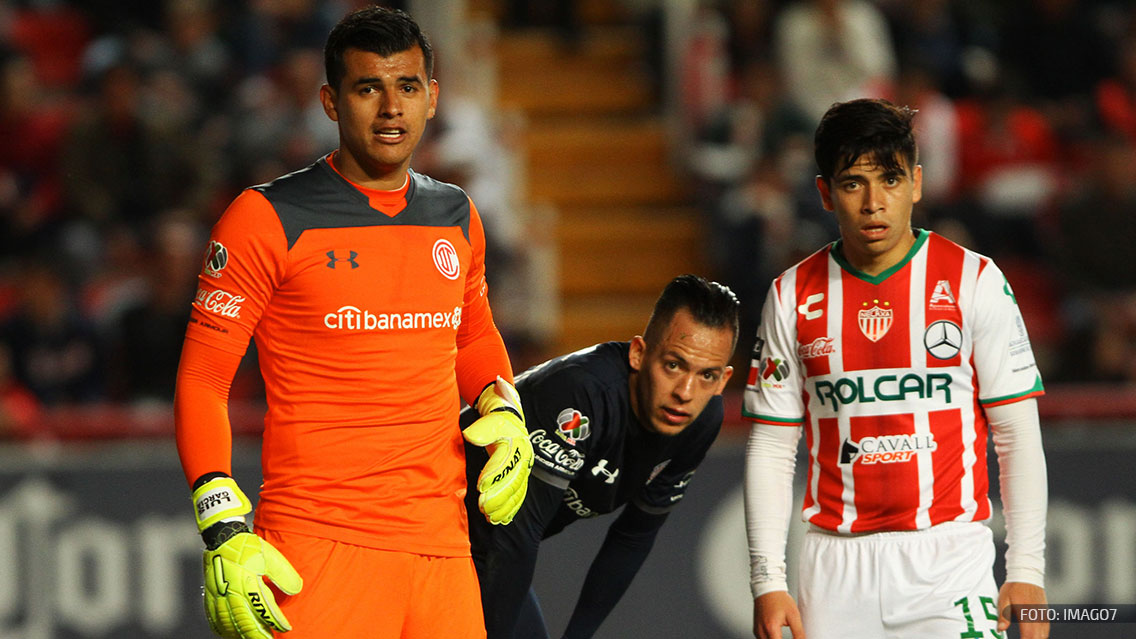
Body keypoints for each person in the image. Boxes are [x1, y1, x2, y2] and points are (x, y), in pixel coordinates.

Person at [173, 7, 533, 639]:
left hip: (442, 554)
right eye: (368, 88)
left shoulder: (456, 215)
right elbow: (204, 379)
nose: (391, 108)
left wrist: (502, 407)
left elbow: (471, 336)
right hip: (316, 548)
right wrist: (221, 521)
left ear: (433, 99)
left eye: (408, 87)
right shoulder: (265, 218)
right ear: (331, 102)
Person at [743, 98, 1049, 639]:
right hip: (832, 570)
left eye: (889, 178)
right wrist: (768, 579)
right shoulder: (790, 296)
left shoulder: (973, 280)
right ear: (824, 192)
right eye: (853, 183)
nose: (873, 202)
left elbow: (1016, 433)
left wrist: (1026, 571)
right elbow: (771, 445)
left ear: (917, 183)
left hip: (949, 559)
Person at [465, 274, 740, 639]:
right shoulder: (582, 392)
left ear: (724, 381)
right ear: (639, 353)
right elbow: (516, 537)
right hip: (433, 532)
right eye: (673, 365)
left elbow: (634, 536)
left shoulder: (701, 421)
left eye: (707, 375)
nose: (686, 392)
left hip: (488, 553)